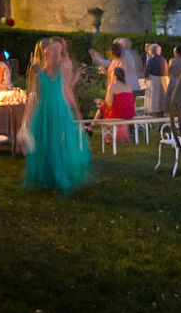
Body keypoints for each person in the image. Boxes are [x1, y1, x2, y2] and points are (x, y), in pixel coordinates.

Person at [23, 38, 90, 195]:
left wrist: (76, 110)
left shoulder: (61, 70)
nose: (51, 56)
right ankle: (46, 176)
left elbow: (67, 91)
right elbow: (31, 96)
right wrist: (26, 119)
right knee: (44, 143)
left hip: (60, 111)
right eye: (49, 53)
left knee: (58, 144)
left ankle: (59, 176)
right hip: (43, 111)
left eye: (55, 53)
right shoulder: (36, 71)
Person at [96, 67, 136, 142]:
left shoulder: (112, 86)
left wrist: (101, 101)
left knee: (102, 109)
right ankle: (92, 126)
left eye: (111, 73)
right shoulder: (128, 86)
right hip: (130, 113)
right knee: (104, 110)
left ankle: (93, 127)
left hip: (119, 114)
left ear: (114, 76)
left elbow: (109, 104)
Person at [144, 43, 168, 116]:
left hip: (154, 81)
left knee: (154, 99)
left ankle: (153, 112)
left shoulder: (151, 60)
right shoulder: (163, 60)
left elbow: (146, 72)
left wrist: (145, 78)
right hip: (164, 81)